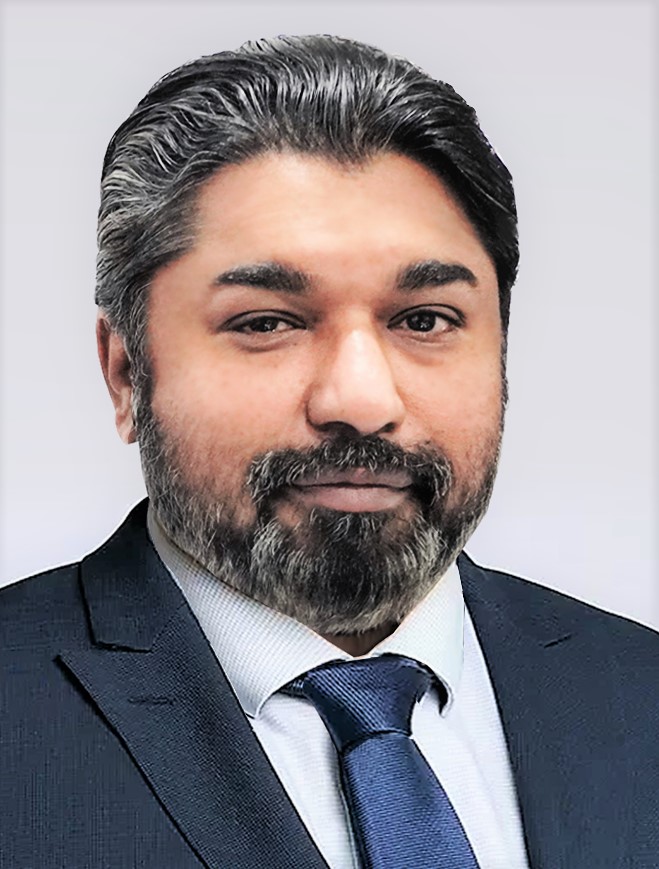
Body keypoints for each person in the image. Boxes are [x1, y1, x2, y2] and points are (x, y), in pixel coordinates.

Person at [1, 33, 657, 869]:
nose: (360, 401)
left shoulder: (640, 691)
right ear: (127, 372)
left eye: (424, 319)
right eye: (266, 322)